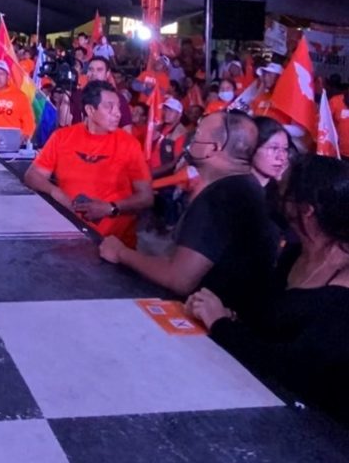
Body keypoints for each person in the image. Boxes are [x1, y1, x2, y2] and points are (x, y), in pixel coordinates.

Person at [186, 156, 349, 422]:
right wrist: (229, 317)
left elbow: (294, 368)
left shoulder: (343, 288)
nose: (275, 193)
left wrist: (220, 325)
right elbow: (268, 322)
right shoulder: (295, 254)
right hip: (257, 394)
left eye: (284, 192)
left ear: (306, 210)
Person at [99, 111, 276, 317]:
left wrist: (121, 253)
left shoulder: (219, 197)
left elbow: (180, 279)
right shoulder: (247, 186)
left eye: (198, 134)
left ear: (213, 148)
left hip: (213, 326)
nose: (191, 140)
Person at [25, 81, 153, 245]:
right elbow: (32, 175)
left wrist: (111, 208)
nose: (117, 114)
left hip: (112, 244)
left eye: (118, 107)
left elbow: (146, 197)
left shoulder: (129, 144)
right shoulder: (62, 137)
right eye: (109, 107)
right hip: (67, 236)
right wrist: (55, 192)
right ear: (90, 110)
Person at [69, 57, 133, 129]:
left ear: (107, 74)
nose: (94, 73)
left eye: (99, 70)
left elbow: (127, 130)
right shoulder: (76, 95)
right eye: (90, 69)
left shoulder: (118, 98)